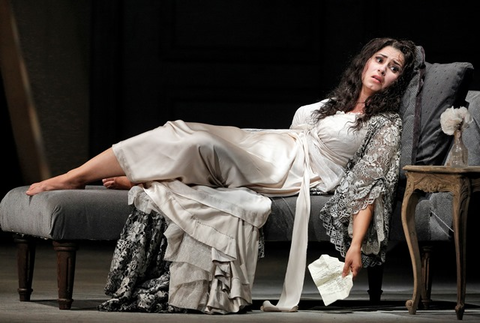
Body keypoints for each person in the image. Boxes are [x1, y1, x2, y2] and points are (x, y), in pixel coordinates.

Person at [26, 37, 417, 314]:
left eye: (394, 67)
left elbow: (370, 184)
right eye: (379, 60)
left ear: (400, 79)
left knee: (202, 145)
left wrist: (355, 244)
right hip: (271, 144)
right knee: (179, 129)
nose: (383, 69)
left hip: (293, 169)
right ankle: (79, 174)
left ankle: (101, 174)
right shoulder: (335, 103)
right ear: (365, 61)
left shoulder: (385, 123)